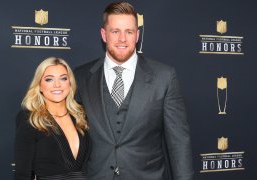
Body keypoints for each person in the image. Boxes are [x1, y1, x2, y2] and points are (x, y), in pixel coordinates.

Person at [74, 1, 193, 180]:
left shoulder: (164, 77)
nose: (123, 39)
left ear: (137, 35)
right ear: (103, 34)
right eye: (115, 31)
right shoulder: (81, 77)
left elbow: (178, 143)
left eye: (129, 32)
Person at [14, 57, 90, 180]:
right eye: (49, 79)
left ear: (70, 83)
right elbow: (23, 173)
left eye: (63, 78)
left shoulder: (82, 115)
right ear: (39, 86)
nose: (57, 85)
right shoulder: (29, 119)